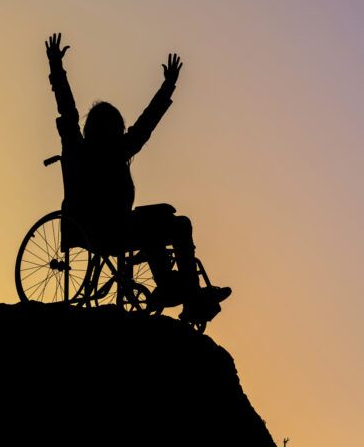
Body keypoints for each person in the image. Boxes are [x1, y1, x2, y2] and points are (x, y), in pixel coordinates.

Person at [44, 32, 230, 316]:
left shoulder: (113, 149)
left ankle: (189, 295)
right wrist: (56, 69)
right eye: (116, 128)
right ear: (106, 129)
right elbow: (69, 111)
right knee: (158, 227)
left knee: (177, 223)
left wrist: (168, 87)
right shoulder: (80, 150)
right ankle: (177, 290)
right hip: (98, 229)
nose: (119, 133)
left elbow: (144, 125)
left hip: (119, 225)